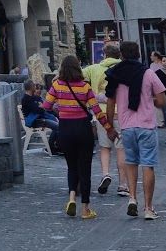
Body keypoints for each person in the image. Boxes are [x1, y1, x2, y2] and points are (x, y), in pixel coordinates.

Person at [43, 54, 117, 219]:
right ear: (78, 68)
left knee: (71, 167)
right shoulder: (85, 87)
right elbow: (97, 111)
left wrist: (60, 108)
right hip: (83, 129)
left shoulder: (57, 85)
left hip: (65, 129)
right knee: (85, 168)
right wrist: (108, 128)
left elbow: (46, 106)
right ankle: (85, 208)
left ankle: (71, 198)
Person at [104, 41, 166, 220]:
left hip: (127, 126)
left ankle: (132, 198)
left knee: (131, 163)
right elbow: (162, 101)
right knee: (148, 165)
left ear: (121, 55)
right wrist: (150, 100)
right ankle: (148, 207)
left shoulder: (115, 73)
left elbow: (110, 102)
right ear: (138, 53)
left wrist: (109, 126)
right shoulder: (148, 73)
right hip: (146, 125)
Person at [83, 41, 124, 197]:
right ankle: (123, 185)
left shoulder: (94, 68)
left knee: (104, 147)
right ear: (118, 55)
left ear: (104, 55)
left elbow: (76, 74)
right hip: (121, 113)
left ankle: (106, 174)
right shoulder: (123, 68)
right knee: (121, 149)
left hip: (101, 114)